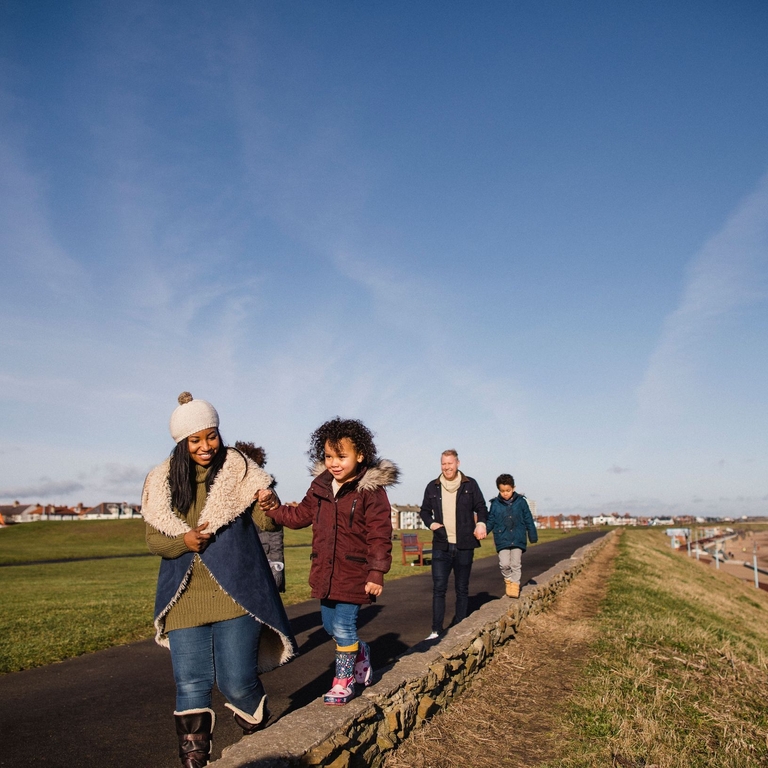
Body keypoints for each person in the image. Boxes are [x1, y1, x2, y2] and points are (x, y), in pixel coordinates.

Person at [141, 392, 297, 768]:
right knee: (191, 684)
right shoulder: (161, 481)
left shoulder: (241, 472)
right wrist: (185, 541)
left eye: (211, 436)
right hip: (184, 598)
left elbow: (267, 524)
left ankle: (256, 723)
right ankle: (194, 758)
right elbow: (153, 540)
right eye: (195, 439)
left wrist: (270, 507)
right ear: (182, 442)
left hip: (236, 593)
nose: (205, 446)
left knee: (236, 681)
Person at [260, 417, 397, 705]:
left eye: (342, 456)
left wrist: (376, 572)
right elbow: (298, 517)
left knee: (345, 627)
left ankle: (343, 681)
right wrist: (274, 509)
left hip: (355, 572)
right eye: (328, 456)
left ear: (360, 456)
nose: (334, 463)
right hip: (325, 571)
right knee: (329, 627)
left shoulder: (371, 491)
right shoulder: (320, 486)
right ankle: (360, 652)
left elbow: (380, 535)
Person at [419, 450, 488, 640]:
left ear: (458, 463)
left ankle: (459, 627)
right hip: (442, 545)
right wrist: (432, 524)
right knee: (439, 588)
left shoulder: (470, 484)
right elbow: (424, 511)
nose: (447, 467)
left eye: (450, 463)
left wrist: (481, 523)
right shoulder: (432, 487)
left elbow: (481, 507)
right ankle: (435, 630)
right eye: (443, 463)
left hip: (465, 545)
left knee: (462, 588)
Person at [234, 441, 285, 593]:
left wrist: (277, 564)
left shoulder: (266, 493)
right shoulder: (234, 493)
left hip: (264, 560)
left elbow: (275, 532)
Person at [485, 474, 538, 598]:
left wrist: (532, 535)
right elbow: (491, 520)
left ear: (513, 488)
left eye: (508, 490)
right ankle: (508, 579)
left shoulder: (521, 502)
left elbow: (528, 519)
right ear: (498, 489)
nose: (505, 493)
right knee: (504, 564)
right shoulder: (495, 504)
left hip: (518, 537)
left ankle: (514, 585)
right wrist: (483, 531)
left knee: (515, 564)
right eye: (502, 491)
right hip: (501, 538)